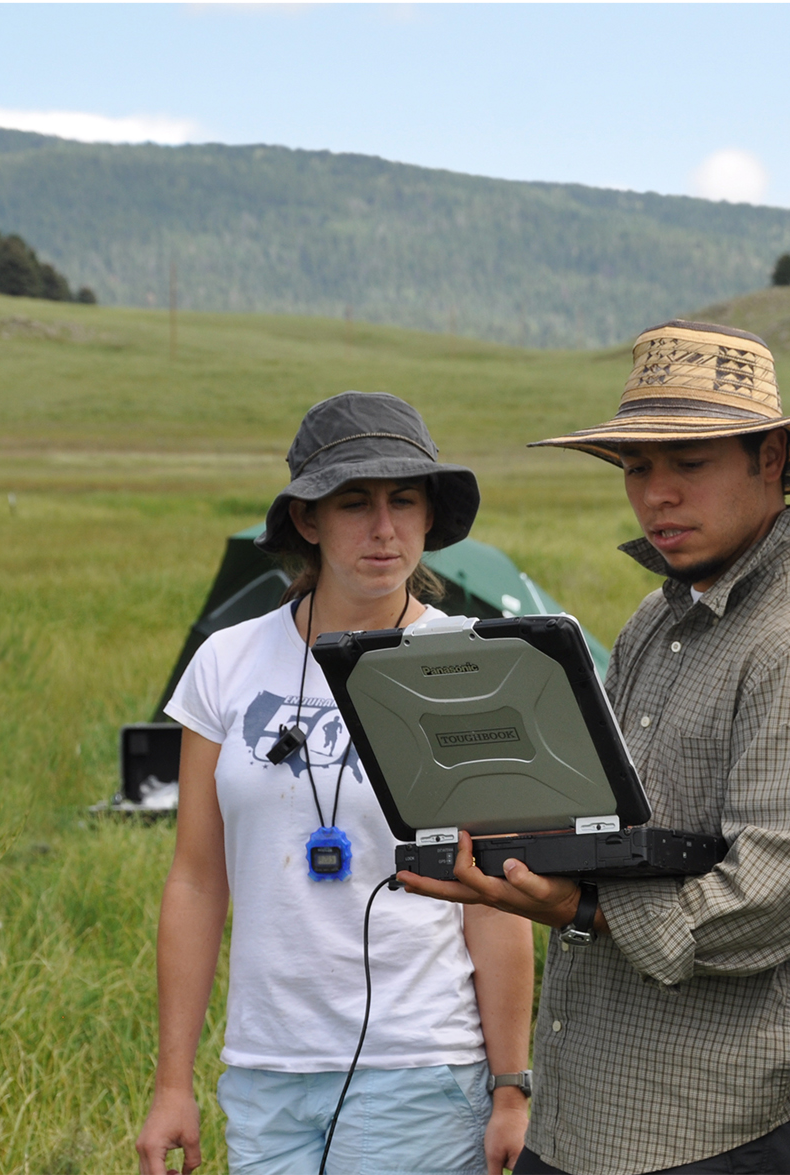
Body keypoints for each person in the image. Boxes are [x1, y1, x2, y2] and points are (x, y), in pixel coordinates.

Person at [402, 321, 790, 1175]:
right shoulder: (661, 617)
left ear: (773, 460)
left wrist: (572, 906)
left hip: (726, 1121)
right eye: (638, 466)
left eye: (690, 462)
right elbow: (601, 809)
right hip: (593, 1108)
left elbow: (767, 899)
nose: (657, 495)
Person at [137, 391, 536, 1175]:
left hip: (419, 1065)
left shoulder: (468, 665)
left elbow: (495, 895)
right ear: (307, 521)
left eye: (403, 501)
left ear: (430, 518)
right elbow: (194, 878)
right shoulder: (226, 661)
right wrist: (171, 1082)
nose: (383, 528)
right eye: (354, 502)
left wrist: (510, 1088)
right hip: (265, 1072)